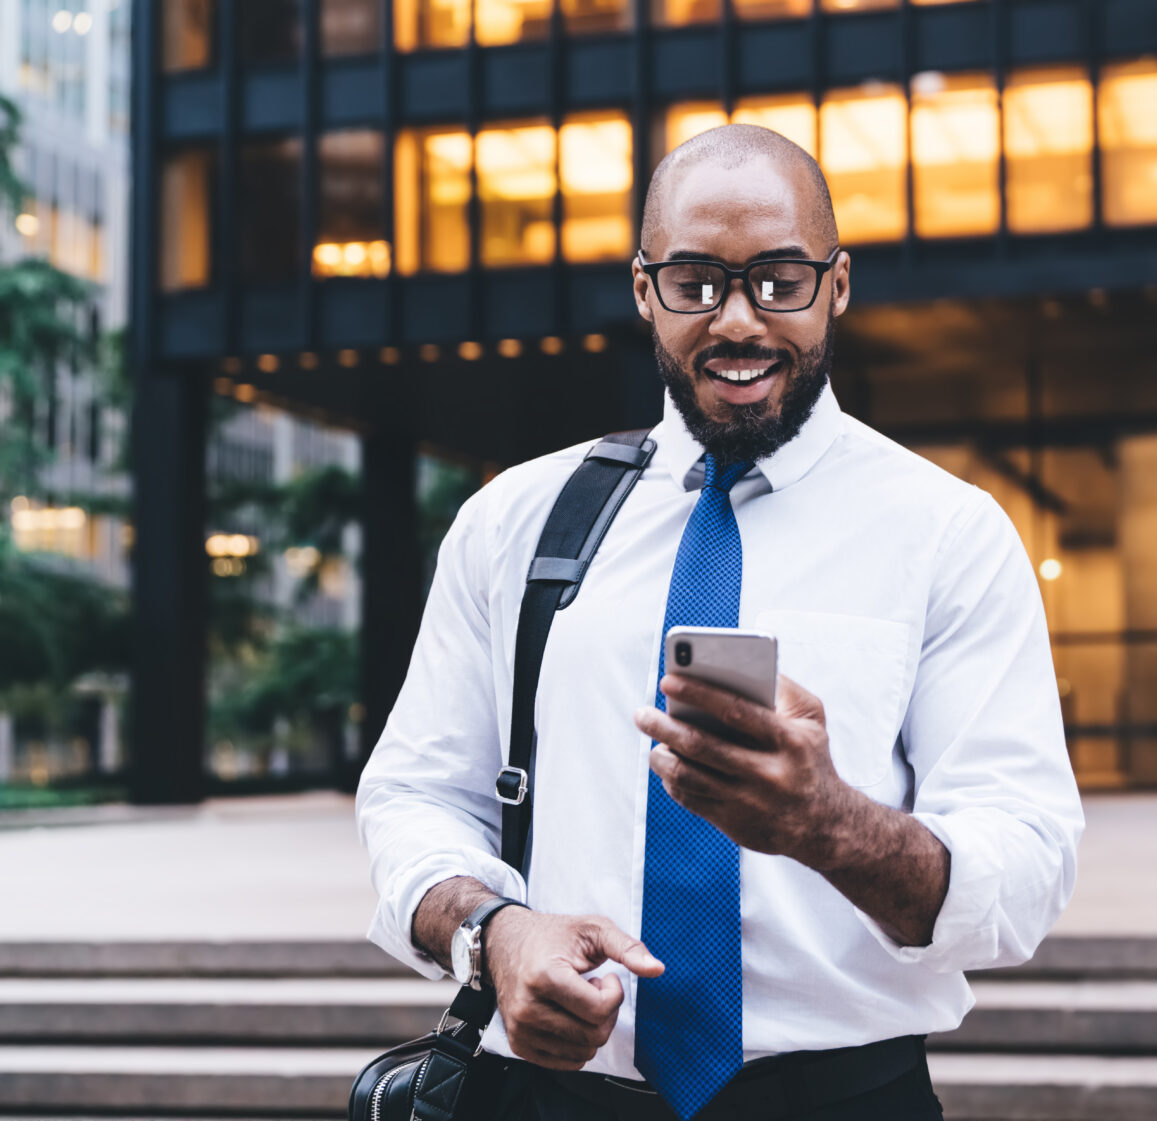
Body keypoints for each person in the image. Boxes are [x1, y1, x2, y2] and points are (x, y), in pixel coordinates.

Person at [355, 124, 1084, 1121]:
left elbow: (1029, 859)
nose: (738, 321)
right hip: (548, 1094)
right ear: (646, 289)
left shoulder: (947, 532)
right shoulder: (515, 519)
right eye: (696, 280)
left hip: (841, 1096)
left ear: (837, 285)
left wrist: (833, 822)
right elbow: (414, 794)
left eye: (779, 279)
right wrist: (493, 931)